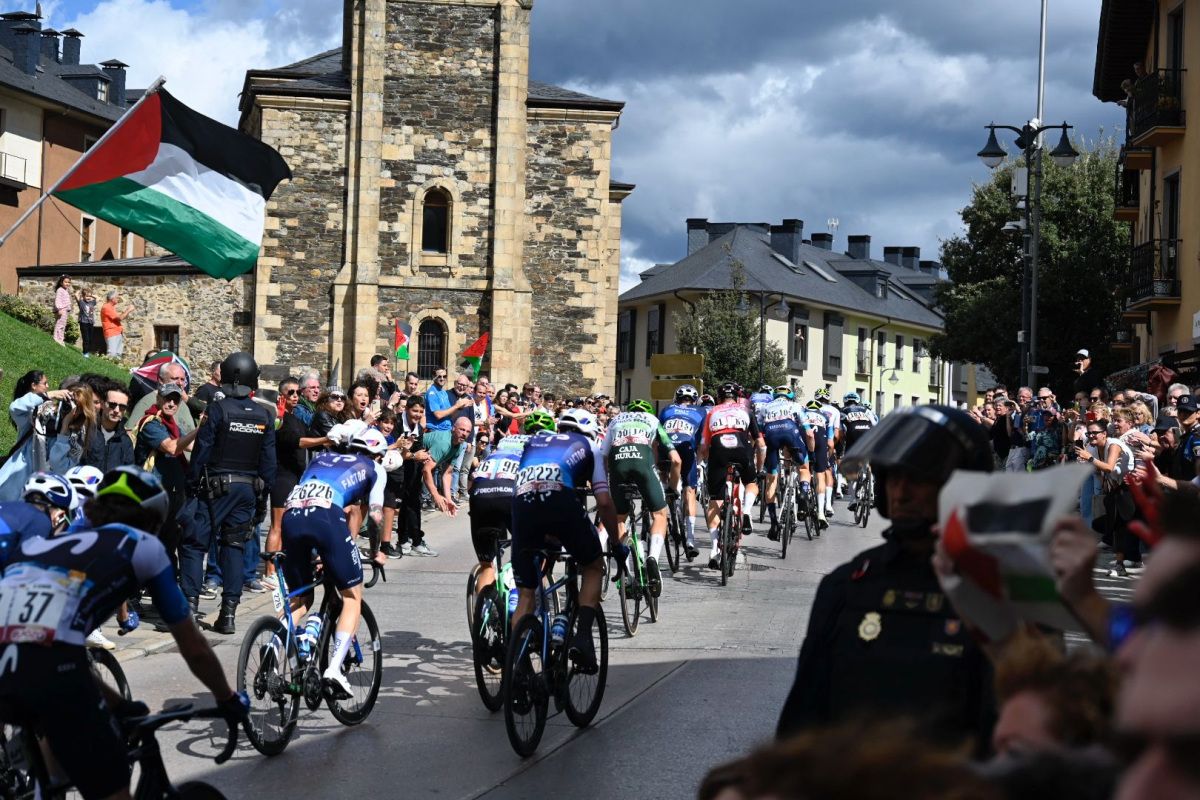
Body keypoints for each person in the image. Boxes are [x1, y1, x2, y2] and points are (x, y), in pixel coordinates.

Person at [0, 466, 248, 800]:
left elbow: (43, 640)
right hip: (49, 672)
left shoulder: (53, 542)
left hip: (21, 664)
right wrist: (227, 699)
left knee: (54, 774)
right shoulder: (142, 544)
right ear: (153, 520)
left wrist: (118, 704)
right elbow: (194, 647)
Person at [776, 405, 997, 750]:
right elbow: (802, 720)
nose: (901, 492)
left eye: (918, 478)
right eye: (892, 477)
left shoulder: (1001, 591)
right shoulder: (848, 584)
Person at [510, 408, 620, 672]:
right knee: (593, 566)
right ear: (590, 430)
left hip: (522, 504)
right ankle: (582, 638)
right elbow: (603, 502)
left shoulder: (533, 441)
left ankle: (519, 667)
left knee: (527, 593)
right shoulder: (589, 445)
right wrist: (617, 543)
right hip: (560, 502)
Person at [281, 427, 388, 697]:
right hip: (327, 518)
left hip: (292, 517)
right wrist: (377, 550)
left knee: (301, 599)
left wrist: (318, 554)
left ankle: (274, 642)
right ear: (378, 454)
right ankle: (334, 670)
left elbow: (307, 499)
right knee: (352, 596)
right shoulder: (374, 468)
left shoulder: (322, 458)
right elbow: (375, 516)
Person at [179, 352, 276, 635]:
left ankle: (189, 609)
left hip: (215, 487)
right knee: (233, 546)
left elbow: (202, 450)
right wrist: (262, 498)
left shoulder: (218, 410)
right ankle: (228, 614)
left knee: (194, 544)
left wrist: (191, 483)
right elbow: (269, 463)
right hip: (248, 489)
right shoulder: (264, 415)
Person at [600, 399, 680, 593]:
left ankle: (626, 574)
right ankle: (652, 557)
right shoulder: (652, 419)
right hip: (643, 465)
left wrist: (603, 482)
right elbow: (676, 460)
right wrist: (672, 488)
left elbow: (603, 455)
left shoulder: (616, 420)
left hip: (618, 466)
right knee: (660, 515)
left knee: (620, 519)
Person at [134, 383, 201, 570]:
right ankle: (136, 592)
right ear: (158, 399)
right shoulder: (150, 423)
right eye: (167, 398)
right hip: (151, 494)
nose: (171, 403)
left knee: (168, 542)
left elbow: (192, 445)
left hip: (171, 494)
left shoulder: (173, 426)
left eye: (176, 400)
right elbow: (172, 447)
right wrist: (199, 428)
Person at [698, 382, 764, 569]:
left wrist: (706, 463)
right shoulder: (746, 410)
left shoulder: (712, 412)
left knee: (715, 500)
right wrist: (759, 468)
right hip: (741, 448)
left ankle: (713, 549)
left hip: (719, 448)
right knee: (751, 482)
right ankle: (746, 512)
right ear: (737, 397)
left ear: (719, 397)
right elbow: (761, 444)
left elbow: (703, 447)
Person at [467, 422, 533, 594]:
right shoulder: (527, 457)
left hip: (479, 498)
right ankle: (515, 594)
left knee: (487, 566)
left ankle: (482, 614)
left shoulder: (491, 456)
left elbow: (471, 486)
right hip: (508, 496)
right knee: (526, 551)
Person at [0, 372, 73, 502]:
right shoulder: (37, 415)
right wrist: (48, 395)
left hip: (35, 503)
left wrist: (65, 429)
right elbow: (15, 408)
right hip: (9, 492)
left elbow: (59, 466)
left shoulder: (76, 434)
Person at [658, 384, 708, 560]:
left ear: (676, 399)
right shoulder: (701, 411)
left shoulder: (666, 409)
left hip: (666, 450)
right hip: (686, 450)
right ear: (694, 400)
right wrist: (701, 462)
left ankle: (666, 494)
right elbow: (703, 442)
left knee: (664, 471)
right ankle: (690, 539)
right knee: (689, 491)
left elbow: (658, 436)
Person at [756, 386, 812, 542]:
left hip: (771, 435)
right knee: (804, 468)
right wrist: (811, 452)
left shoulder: (765, 407)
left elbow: (758, 434)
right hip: (790, 431)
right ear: (791, 396)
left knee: (771, 481)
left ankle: (774, 523)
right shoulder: (795, 406)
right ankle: (803, 493)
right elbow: (808, 432)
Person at [82, 384, 135, 472]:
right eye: (112, 405)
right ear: (102, 404)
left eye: (122, 407)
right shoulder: (86, 430)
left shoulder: (126, 442)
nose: (117, 410)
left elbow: (129, 474)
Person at [840, 391, 876, 514]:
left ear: (846, 401)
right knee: (868, 461)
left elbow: (841, 429)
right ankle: (870, 489)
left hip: (853, 433)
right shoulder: (865, 409)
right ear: (857, 401)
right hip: (868, 432)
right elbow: (874, 423)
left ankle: (853, 499)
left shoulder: (843, 410)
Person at [100, 290, 133, 358]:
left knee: (118, 354)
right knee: (112, 354)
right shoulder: (106, 307)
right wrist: (128, 310)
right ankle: (108, 368)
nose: (118, 299)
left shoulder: (111, 307)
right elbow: (119, 318)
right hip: (111, 332)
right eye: (117, 298)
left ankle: (115, 367)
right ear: (112, 298)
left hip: (117, 332)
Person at [75, 285, 97, 355]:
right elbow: (76, 295)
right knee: (86, 338)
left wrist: (90, 294)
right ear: (83, 296)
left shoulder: (92, 302)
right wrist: (81, 292)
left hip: (90, 322)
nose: (88, 298)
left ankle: (87, 351)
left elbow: (98, 298)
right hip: (83, 322)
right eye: (87, 296)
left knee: (90, 339)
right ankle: (85, 353)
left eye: (89, 296)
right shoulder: (81, 303)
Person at [52, 275, 72, 345]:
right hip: (61, 310)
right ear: (61, 282)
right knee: (59, 324)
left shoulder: (65, 290)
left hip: (65, 310)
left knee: (63, 325)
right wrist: (59, 309)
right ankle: (56, 338)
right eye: (65, 282)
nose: (67, 284)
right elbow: (58, 300)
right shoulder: (60, 290)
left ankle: (61, 339)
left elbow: (66, 301)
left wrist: (68, 308)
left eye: (69, 282)